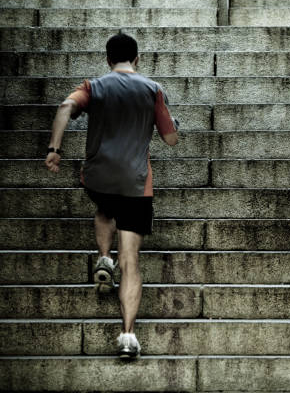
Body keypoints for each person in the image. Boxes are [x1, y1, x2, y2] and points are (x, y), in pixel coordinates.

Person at [44, 33, 179, 359]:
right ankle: (128, 336)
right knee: (130, 262)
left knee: (105, 207)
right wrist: (174, 123)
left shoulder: (94, 86)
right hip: (135, 182)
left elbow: (65, 107)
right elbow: (171, 139)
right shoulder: (152, 89)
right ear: (137, 59)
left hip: (99, 175)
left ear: (108, 59)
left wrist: (54, 149)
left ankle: (104, 257)